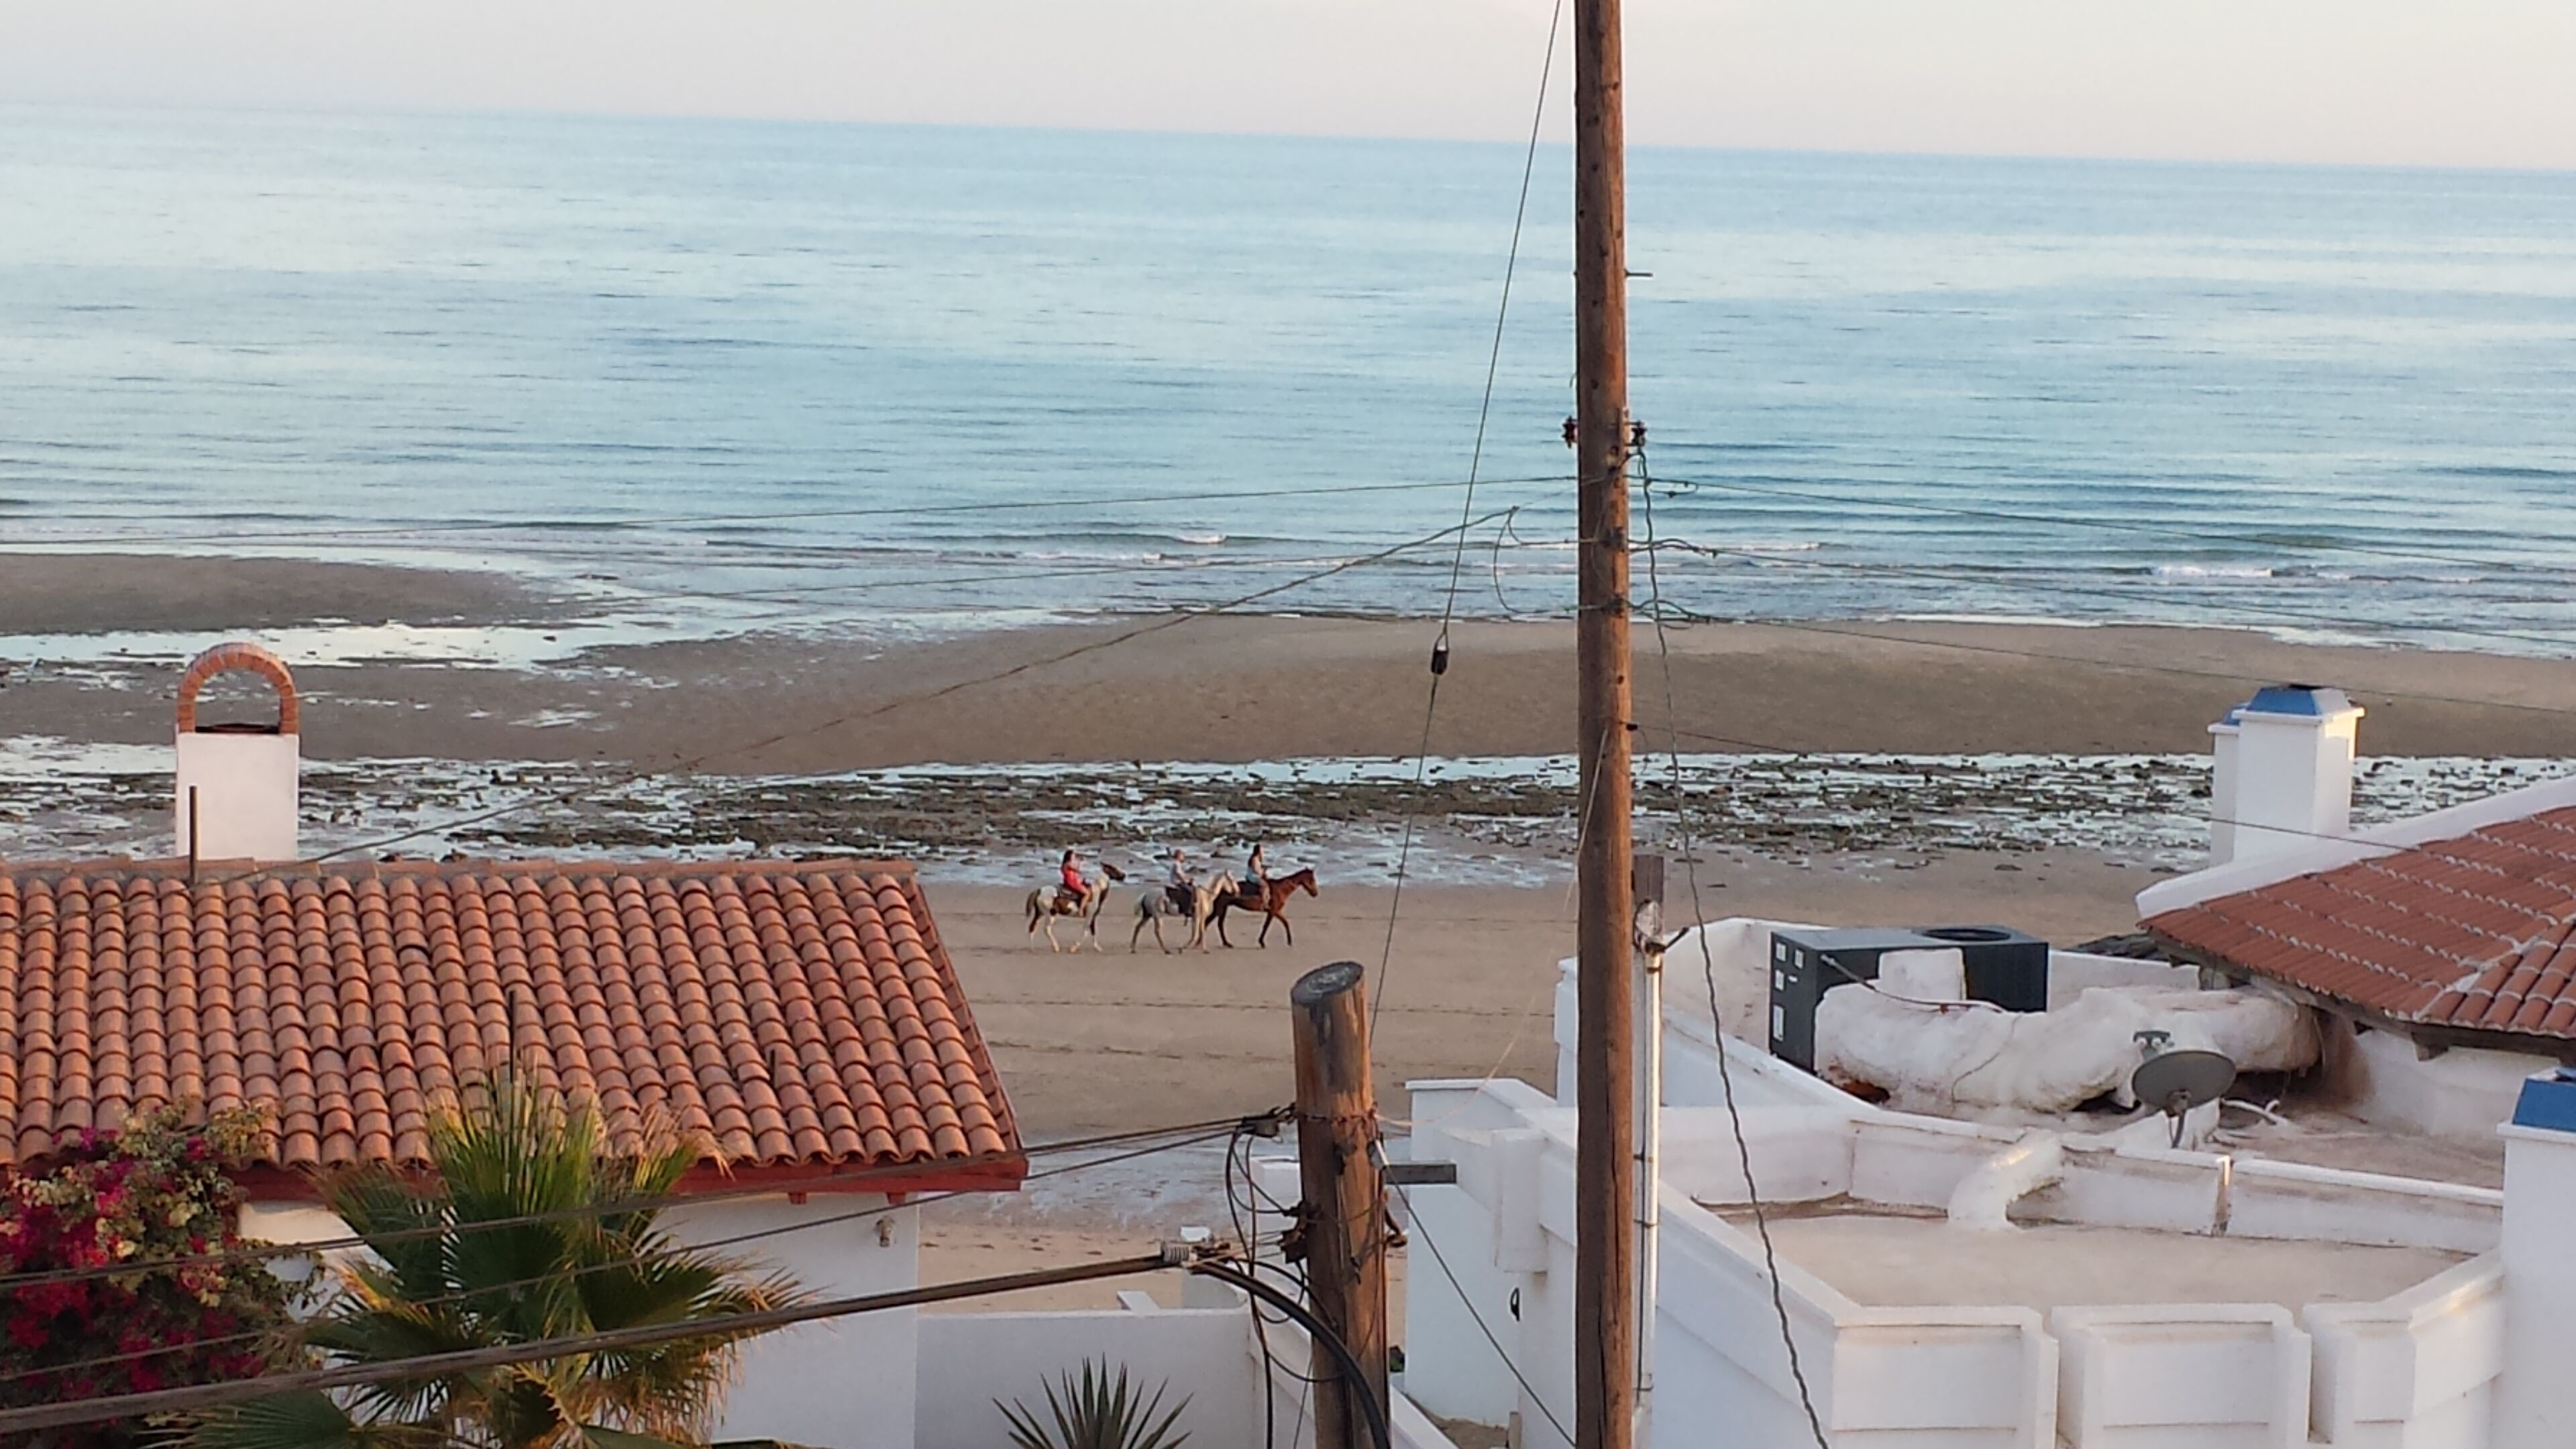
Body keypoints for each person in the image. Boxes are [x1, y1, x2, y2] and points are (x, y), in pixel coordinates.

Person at [1058, 849, 1097, 914]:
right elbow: (1078, 870)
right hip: (1072, 883)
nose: (1074, 857)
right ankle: (1081, 910)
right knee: (1087, 893)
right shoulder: (1068, 864)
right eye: (1073, 855)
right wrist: (1082, 863)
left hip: (1071, 881)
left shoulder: (1066, 864)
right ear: (1070, 856)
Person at [1165, 847, 1198, 914]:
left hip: (1178, 881)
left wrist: (1189, 878)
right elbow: (1178, 874)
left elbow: (1182, 874)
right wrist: (1185, 881)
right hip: (1177, 883)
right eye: (1183, 856)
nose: (1184, 857)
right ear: (1179, 856)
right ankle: (1187, 909)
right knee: (1190, 892)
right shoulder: (1176, 864)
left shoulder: (1177, 864)